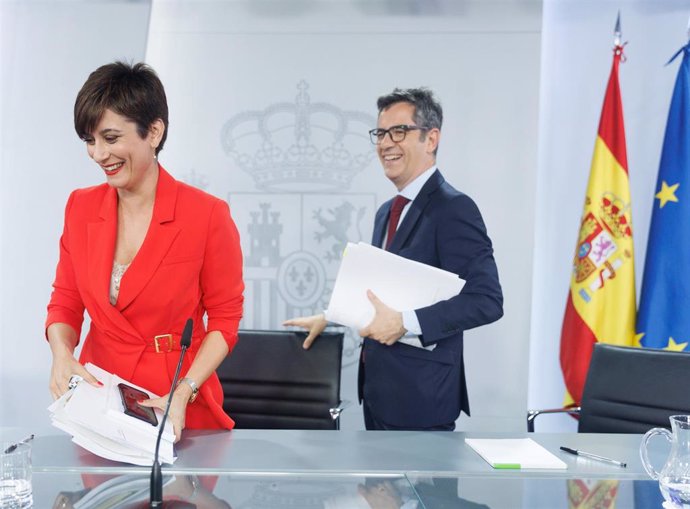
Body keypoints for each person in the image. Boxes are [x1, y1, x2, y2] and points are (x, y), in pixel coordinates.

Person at [45, 61, 244, 441]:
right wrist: (61, 353)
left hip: (173, 397)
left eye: (111, 137)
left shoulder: (206, 214)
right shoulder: (80, 207)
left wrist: (185, 390)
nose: (98, 154)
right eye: (90, 140)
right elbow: (66, 301)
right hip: (98, 396)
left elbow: (225, 318)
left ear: (154, 131)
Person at [285, 88, 502, 431]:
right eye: (380, 133)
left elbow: (487, 300)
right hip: (379, 394)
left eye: (399, 131)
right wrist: (332, 315)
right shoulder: (388, 212)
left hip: (423, 399)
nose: (386, 143)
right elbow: (386, 293)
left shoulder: (454, 209)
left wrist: (406, 322)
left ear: (431, 139)